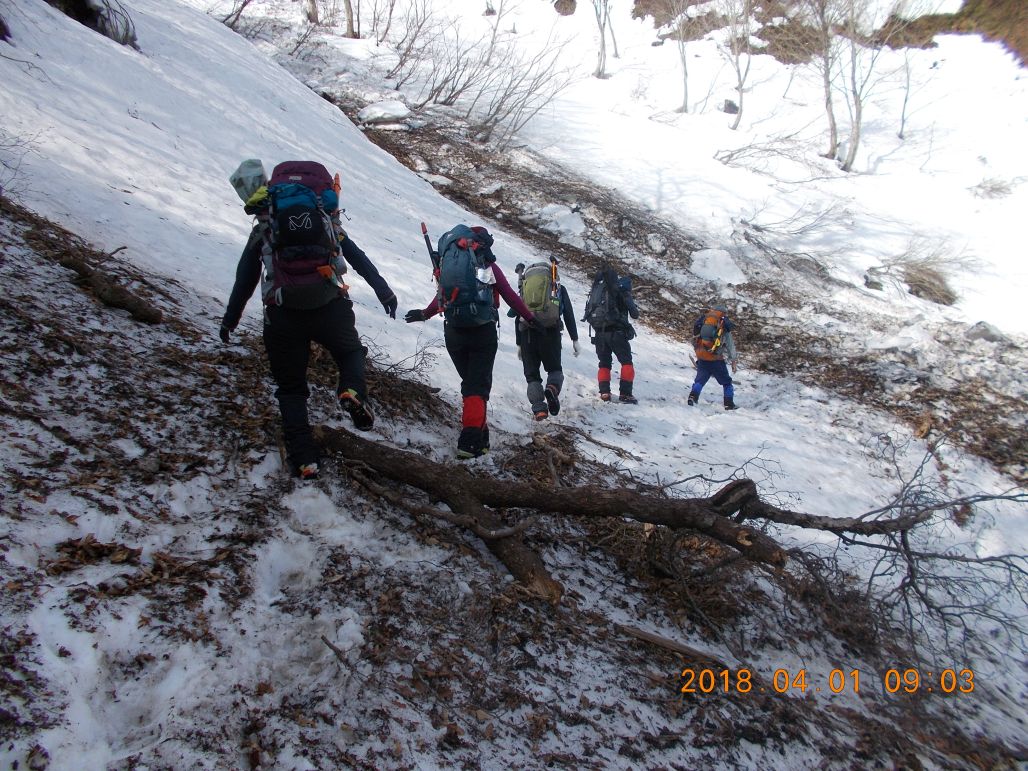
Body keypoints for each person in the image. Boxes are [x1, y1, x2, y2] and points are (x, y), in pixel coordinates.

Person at [219, 160, 398, 480]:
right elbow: (358, 259)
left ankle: (305, 460)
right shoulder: (327, 220)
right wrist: (385, 293)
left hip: (282, 312)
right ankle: (352, 390)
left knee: (291, 388)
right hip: (329, 304)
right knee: (351, 353)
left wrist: (230, 320)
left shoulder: (266, 224)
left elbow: (244, 278)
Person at [404, 225, 536, 459]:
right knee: (477, 386)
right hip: (482, 331)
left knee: (472, 383)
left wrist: (424, 314)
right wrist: (531, 318)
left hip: (453, 332)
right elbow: (509, 295)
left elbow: (443, 296)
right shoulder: (487, 266)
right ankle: (470, 439)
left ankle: (481, 438)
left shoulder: (450, 266)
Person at [510, 260, 581, 421]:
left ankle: (539, 409)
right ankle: (552, 389)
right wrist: (575, 339)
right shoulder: (557, 289)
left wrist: (519, 344)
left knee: (532, 376)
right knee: (555, 370)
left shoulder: (524, 289)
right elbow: (568, 314)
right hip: (550, 333)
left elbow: (517, 316)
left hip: (527, 334)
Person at [583, 267, 639, 403]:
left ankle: (604, 393)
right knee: (626, 362)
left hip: (599, 333)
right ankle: (625, 394)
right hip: (617, 333)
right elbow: (635, 314)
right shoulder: (622, 292)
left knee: (604, 363)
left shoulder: (599, 291)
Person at [688, 304, 739, 410]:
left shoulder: (703, 321)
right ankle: (729, 404)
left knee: (700, 380)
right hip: (716, 359)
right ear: (723, 313)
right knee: (727, 382)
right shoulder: (722, 324)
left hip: (702, 357)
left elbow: (695, 339)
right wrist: (733, 360)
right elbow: (730, 345)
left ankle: (693, 397)